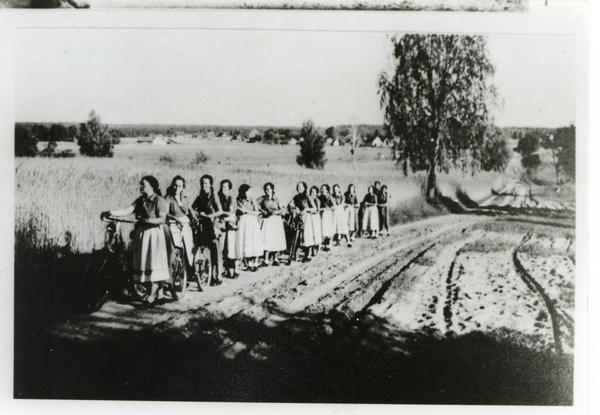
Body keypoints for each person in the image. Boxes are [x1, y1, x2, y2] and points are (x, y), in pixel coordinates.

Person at [102, 175, 172, 309]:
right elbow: (128, 210)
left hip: (154, 235)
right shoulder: (141, 200)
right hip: (143, 235)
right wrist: (111, 212)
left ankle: (151, 298)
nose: (140, 186)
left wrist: (147, 221)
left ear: (152, 186)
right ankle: (155, 294)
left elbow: (162, 219)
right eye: (140, 184)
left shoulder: (159, 200)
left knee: (155, 264)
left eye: (143, 184)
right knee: (145, 265)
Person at [191, 174, 224, 286]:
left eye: (206, 183)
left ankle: (218, 275)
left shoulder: (214, 197)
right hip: (202, 226)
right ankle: (205, 272)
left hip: (212, 224)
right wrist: (195, 214)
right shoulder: (199, 198)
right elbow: (192, 207)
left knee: (215, 248)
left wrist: (210, 215)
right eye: (202, 183)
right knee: (202, 248)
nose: (204, 185)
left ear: (210, 184)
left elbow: (220, 211)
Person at [232, 184, 264, 272]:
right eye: (249, 191)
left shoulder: (252, 200)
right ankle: (249, 264)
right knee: (246, 242)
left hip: (251, 222)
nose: (250, 193)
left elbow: (257, 213)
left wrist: (246, 211)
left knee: (254, 241)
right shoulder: (238, 200)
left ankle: (255, 263)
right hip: (243, 222)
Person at [165, 176, 194, 271]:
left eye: (179, 186)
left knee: (189, 246)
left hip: (185, 224)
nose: (177, 188)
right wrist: (175, 218)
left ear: (182, 187)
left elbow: (190, 209)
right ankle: (180, 269)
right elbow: (166, 213)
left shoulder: (184, 197)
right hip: (174, 224)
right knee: (178, 245)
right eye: (175, 185)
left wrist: (194, 217)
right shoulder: (168, 197)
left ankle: (190, 268)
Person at [258, 182, 287, 266]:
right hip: (267, 220)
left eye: (269, 189)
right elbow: (255, 204)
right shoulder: (263, 199)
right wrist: (262, 211)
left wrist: (276, 212)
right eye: (265, 189)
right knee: (267, 238)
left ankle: (275, 259)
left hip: (276, 220)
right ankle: (266, 259)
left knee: (275, 239)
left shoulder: (277, 198)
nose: (267, 191)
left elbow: (283, 209)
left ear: (272, 189)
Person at [287, 181, 314, 263]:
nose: (299, 188)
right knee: (297, 237)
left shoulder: (307, 197)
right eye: (298, 187)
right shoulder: (296, 197)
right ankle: (293, 254)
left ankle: (307, 255)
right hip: (298, 218)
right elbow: (289, 205)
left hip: (306, 219)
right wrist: (295, 207)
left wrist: (306, 210)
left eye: (301, 187)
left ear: (304, 188)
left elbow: (314, 208)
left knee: (306, 237)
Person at [218, 179, 239, 279]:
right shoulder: (220, 197)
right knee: (224, 248)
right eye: (222, 187)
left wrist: (220, 213)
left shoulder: (231, 198)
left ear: (229, 189)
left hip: (230, 223)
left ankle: (234, 270)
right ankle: (226, 270)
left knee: (231, 247)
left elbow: (231, 212)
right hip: (223, 224)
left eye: (225, 187)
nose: (223, 189)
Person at [319, 184, 334, 252]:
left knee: (328, 229)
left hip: (328, 214)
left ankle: (328, 245)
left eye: (323, 189)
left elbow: (334, 206)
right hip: (322, 214)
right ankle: (324, 244)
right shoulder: (320, 197)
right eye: (321, 189)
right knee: (323, 229)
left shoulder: (329, 197)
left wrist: (327, 208)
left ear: (327, 190)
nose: (321, 190)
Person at [308, 186, 323, 257]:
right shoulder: (309, 199)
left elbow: (318, 210)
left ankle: (318, 249)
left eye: (313, 192)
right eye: (311, 192)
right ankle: (312, 250)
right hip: (311, 218)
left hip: (316, 218)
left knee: (317, 234)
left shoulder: (317, 200)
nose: (312, 193)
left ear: (317, 193)